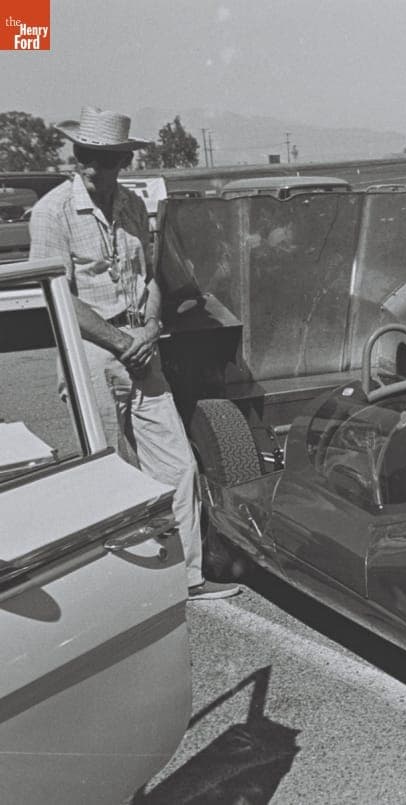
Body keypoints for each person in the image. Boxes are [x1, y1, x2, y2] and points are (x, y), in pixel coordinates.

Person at [29, 106, 239, 600]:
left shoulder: (130, 206)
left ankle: (187, 577)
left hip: (140, 348)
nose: (89, 166)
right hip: (93, 354)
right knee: (102, 472)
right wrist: (123, 342)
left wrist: (148, 325)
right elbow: (57, 296)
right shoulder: (52, 212)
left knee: (176, 465)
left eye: (103, 159)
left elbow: (148, 278)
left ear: (122, 160)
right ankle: (111, 593)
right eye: (83, 156)